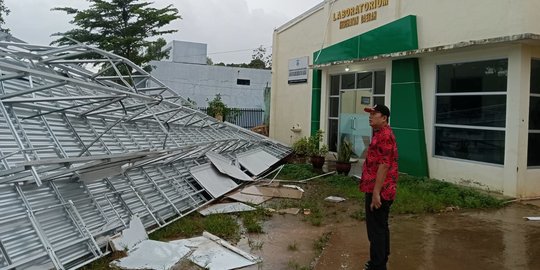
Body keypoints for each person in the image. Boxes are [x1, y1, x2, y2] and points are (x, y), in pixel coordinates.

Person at [360, 104, 398, 270]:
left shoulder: (384, 136)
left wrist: (376, 193)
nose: (370, 116)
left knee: (375, 230)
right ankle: (380, 261)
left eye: (374, 114)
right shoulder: (380, 133)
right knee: (380, 227)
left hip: (380, 190)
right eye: (370, 113)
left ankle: (377, 266)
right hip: (376, 187)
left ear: (384, 118)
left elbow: (384, 165)